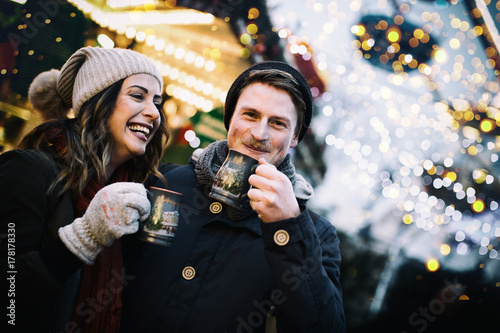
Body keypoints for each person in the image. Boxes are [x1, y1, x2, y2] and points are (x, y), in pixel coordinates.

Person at [121, 61, 346, 332]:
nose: (259, 133)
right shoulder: (169, 183)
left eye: (277, 123)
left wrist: (287, 226)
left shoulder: (316, 234)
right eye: (250, 115)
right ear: (231, 119)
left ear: (295, 136)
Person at [0, 46, 169, 332]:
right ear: (98, 100)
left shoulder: (133, 198)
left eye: (157, 101)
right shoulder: (27, 171)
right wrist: (82, 239)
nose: (153, 113)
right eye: (138, 96)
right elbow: (10, 301)